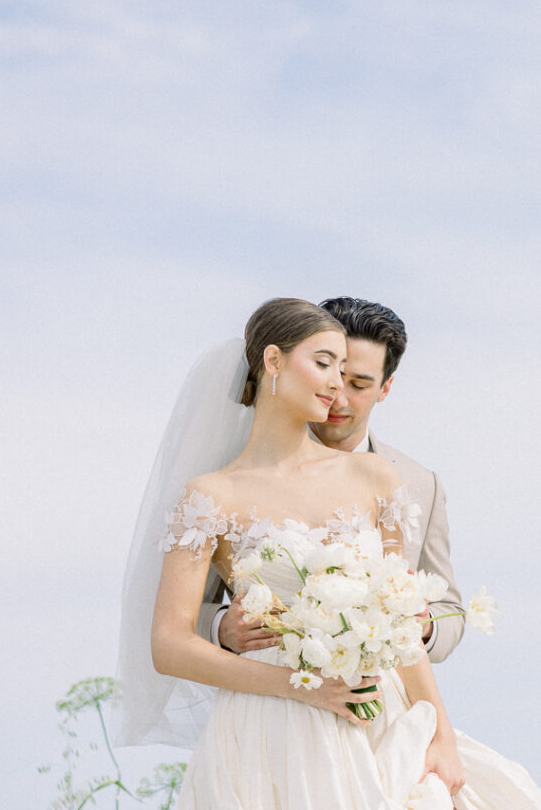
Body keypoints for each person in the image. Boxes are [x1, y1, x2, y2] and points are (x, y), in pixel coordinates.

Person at [116, 297, 540, 809]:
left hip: (376, 716)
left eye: (347, 372)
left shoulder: (378, 478)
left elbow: (399, 621)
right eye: (324, 365)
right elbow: (169, 645)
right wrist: (297, 687)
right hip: (265, 728)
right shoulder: (211, 496)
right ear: (273, 362)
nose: (338, 384)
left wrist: (440, 732)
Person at [201, 298, 463, 675]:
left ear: (385, 388)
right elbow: (178, 612)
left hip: (385, 697)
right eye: (331, 372)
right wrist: (222, 627)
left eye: (358, 383)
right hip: (275, 694)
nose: (338, 396)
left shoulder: (421, 483)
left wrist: (418, 624)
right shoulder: (233, 477)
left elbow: (451, 611)